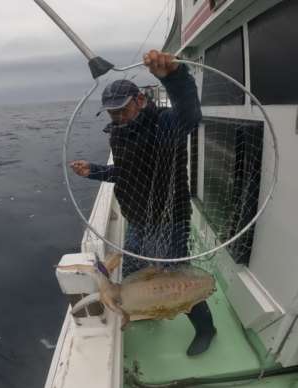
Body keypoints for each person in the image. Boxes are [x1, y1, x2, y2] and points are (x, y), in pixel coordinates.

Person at [69, 50, 216, 356]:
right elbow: (125, 173)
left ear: (139, 100)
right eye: (112, 113)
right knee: (135, 273)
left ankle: (206, 328)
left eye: (122, 110)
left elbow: (190, 115)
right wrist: (93, 170)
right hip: (137, 218)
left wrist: (175, 77)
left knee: (177, 281)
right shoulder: (120, 134)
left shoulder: (164, 124)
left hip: (169, 219)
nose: (118, 117)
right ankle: (144, 309)